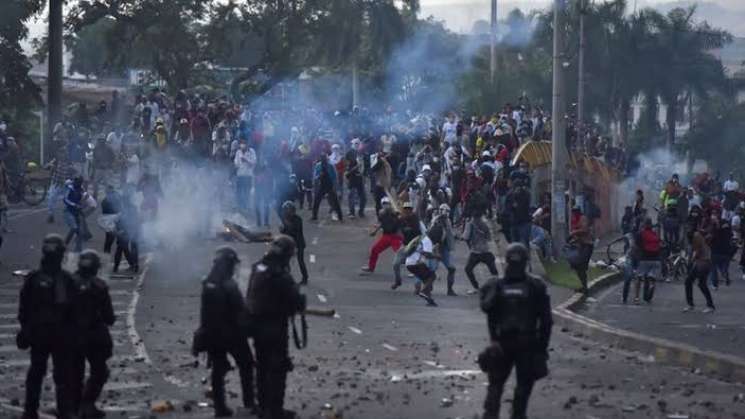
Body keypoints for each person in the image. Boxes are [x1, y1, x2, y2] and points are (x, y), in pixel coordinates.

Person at [479, 243, 553, 419]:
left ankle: (491, 415)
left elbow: (489, 314)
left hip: (504, 341)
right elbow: (546, 322)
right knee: (522, 387)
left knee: (496, 385)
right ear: (526, 262)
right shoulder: (536, 286)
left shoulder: (496, 286)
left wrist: (494, 340)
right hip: (526, 343)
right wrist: (541, 348)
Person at [17, 235, 78, 419]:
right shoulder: (66, 279)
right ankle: (64, 410)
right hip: (59, 335)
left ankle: (30, 410)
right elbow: (74, 310)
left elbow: (24, 308)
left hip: (40, 334)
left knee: (36, 372)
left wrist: (25, 329)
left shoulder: (34, 278)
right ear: (61, 255)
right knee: (62, 375)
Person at [246, 235, 306, 419]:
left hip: (256, 326)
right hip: (274, 328)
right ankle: (275, 410)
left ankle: (263, 406)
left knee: (262, 366)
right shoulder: (280, 275)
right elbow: (296, 302)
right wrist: (300, 301)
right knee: (278, 369)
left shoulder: (258, 267)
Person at [196, 246, 255, 417]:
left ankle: (220, 407)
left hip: (212, 335)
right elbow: (240, 311)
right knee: (246, 365)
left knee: (218, 371)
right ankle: (249, 403)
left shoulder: (208, 283)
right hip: (232, 335)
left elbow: (204, 314)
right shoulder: (229, 285)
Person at [71, 250, 116, 418]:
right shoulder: (99, 286)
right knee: (100, 371)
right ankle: (87, 404)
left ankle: (73, 407)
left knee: (74, 373)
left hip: (72, 336)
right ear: (96, 267)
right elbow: (109, 317)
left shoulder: (68, 283)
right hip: (94, 337)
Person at [361, 197, 402, 274]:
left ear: (390, 204)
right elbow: (381, 224)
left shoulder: (396, 213)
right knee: (374, 250)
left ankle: (413, 269)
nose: (386, 205)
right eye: (384, 204)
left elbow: (401, 220)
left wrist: (398, 214)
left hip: (395, 236)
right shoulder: (382, 214)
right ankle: (371, 267)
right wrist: (375, 231)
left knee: (402, 253)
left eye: (387, 204)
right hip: (386, 236)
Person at [463, 210, 500, 294]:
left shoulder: (470, 224)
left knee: (468, 269)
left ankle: (476, 287)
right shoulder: (484, 224)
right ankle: (497, 287)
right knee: (493, 270)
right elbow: (489, 238)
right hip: (486, 251)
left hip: (475, 252)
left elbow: (466, 237)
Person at [405, 226, 442, 306]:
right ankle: (423, 291)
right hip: (415, 263)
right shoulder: (427, 241)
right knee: (432, 276)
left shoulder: (423, 237)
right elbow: (427, 254)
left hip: (410, 263)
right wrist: (436, 256)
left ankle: (429, 300)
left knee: (426, 280)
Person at [392, 201, 423, 290]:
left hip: (415, 246)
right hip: (405, 245)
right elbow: (394, 227)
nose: (407, 211)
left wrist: (403, 223)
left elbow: (416, 232)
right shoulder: (402, 219)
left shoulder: (415, 219)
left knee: (416, 267)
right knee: (395, 264)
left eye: (409, 209)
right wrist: (396, 217)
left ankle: (419, 287)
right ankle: (398, 281)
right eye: (406, 209)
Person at [684, 229, 715, 313]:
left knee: (697, 283)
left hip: (703, 263)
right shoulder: (698, 236)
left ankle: (708, 305)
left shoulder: (696, 238)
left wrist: (690, 261)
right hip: (703, 262)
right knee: (694, 283)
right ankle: (707, 305)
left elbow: (697, 252)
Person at [279, 201, 309, 285]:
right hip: (289, 244)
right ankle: (286, 277)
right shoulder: (285, 219)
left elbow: (294, 230)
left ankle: (305, 277)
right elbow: (284, 233)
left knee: (300, 261)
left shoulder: (298, 219)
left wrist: (285, 225)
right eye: (286, 210)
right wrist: (281, 229)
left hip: (299, 243)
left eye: (289, 210)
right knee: (285, 261)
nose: (287, 212)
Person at [569, 205, 594, 294]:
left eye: (575, 212)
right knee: (579, 268)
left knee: (581, 266)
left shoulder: (583, 218)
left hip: (587, 245)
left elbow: (584, 230)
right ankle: (583, 286)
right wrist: (573, 240)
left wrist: (573, 233)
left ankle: (584, 287)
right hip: (582, 245)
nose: (574, 214)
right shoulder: (577, 219)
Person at [311, 154, 343, 222]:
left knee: (335, 201)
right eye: (323, 159)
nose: (324, 160)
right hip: (321, 185)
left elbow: (334, 177)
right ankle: (314, 216)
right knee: (316, 201)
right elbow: (315, 176)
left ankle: (340, 216)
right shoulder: (318, 166)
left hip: (329, 185)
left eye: (324, 158)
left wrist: (335, 186)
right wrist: (319, 176)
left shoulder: (330, 166)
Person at [709, 214, 733, 288]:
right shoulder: (728, 232)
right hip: (726, 252)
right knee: (723, 266)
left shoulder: (716, 230)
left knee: (713, 268)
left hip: (715, 251)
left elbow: (711, 238)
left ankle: (714, 284)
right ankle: (724, 273)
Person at [64, 177, 87, 253]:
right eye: (78, 183)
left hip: (76, 212)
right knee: (74, 228)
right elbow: (65, 199)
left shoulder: (81, 189)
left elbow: (84, 198)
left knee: (80, 232)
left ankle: (78, 249)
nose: (79, 184)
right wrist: (74, 204)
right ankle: (64, 244)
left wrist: (82, 204)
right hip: (68, 212)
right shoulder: (70, 188)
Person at [234, 139, 256, 216]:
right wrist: (238, 164)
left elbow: (253, 163)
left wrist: (246, 160)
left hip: (248, 175)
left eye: (244, 143)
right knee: (239, 192)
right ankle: (240, 207)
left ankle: (246, 207)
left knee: (246, 191)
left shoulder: (252, 151)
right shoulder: (238, 152)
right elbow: (236, 163)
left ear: (247, 144)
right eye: (241, 143)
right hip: (240, 175)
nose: (242, 145)